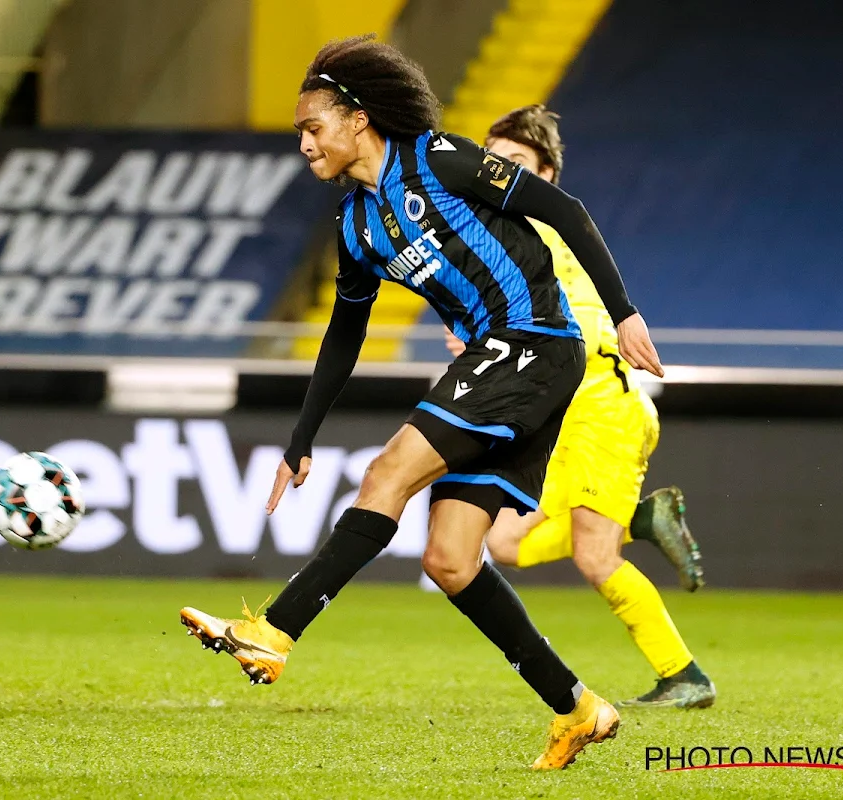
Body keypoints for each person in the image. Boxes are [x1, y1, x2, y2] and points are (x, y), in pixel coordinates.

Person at [179, 34, 663, 770]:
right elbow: (345, 334)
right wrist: (301, 438)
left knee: (386, 475)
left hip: (532, 341)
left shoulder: (438, 160)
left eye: (313, 128)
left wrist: (624, 312)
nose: (304, 145)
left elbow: (564, 208)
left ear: (358, 118)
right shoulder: (357, 225)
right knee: (450, 559)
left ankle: (274, 632)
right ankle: (578, 708)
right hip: (497, 358)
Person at [442, 105, 714, 709]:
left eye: (515, 163)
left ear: (545, 175)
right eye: (493, 159)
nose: (498, 171)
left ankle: (685, 676)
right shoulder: (509, 236)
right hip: (564, 413)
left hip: (600, 408)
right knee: (505, 543)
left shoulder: (539, 229)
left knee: (595, 556)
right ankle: (640, 521)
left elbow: (560, 315)